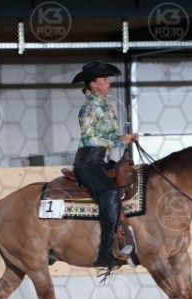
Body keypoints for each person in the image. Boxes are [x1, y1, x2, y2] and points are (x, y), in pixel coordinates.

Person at [72, 60, 139, 271]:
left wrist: (124, 138)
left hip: (101, 160)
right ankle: (106, 252)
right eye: (104, 79)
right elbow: (90, 137)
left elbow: (108, 136)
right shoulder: (89, 107)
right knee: (109, 192)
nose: (109, 82)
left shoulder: (105, 105)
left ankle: (128, 237)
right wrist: (119, 141)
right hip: (88, 162)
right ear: (93, 84)